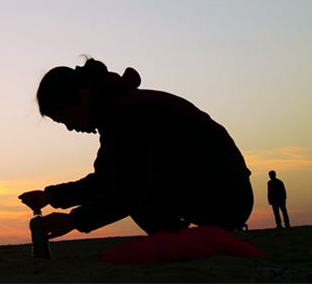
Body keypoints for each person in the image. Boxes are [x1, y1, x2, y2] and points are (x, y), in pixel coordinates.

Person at [20, 58, 253, 239]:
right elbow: (107, 177)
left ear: (83, 96)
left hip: (225, 195)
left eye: (64, 118)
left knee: (134, 187)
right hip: (222, 190)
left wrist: (74, 221)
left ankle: (173, 238)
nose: (70, 128)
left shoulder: (125, 112)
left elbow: (127, 189)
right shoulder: (117, 113)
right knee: (128, 179)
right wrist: (53, 195)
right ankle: (173, 237)